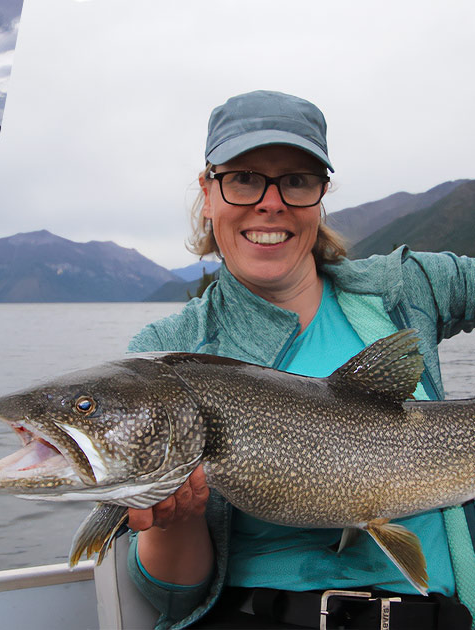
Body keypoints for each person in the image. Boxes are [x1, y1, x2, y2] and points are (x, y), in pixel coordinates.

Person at [125, 90, 475, 629]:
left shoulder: (405, 289)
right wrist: (174, 520)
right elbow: (176, 596)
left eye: (296, 180)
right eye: (243, 177)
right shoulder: (167, 355)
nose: (271, 201)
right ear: (208, 190)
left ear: (321, 193)